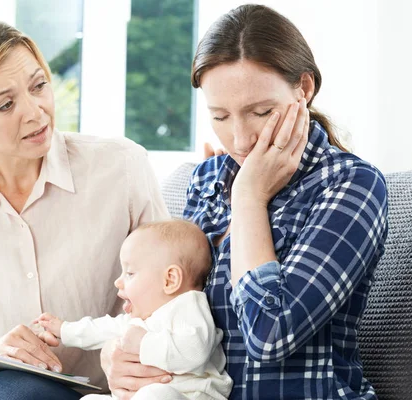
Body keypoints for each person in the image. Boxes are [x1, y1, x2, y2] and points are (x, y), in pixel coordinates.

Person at [102, 4, 388, 400]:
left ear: (303, 89)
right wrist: (119, 360)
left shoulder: (349, 184)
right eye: (219, 116)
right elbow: (168, 307)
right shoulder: (205, 181)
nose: (239, 140)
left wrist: (250, 199)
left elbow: (271, 334)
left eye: (261, 112)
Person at [0, 13, 170, 400]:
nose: (35, 111)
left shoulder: (120, 167)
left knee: (11, 391)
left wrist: (117, 349)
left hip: (85, 385)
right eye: (6, 105)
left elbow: (166, 299)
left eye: (39, 86)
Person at [34, 220, 233, 400]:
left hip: (191, 395)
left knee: (155, 394)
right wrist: (64, 330)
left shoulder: (188, 306)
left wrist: (143, 343)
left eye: (130, 273)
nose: (118, 281)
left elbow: (195, 352)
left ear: (170, 280)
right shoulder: (141, 317)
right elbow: (102, 328)